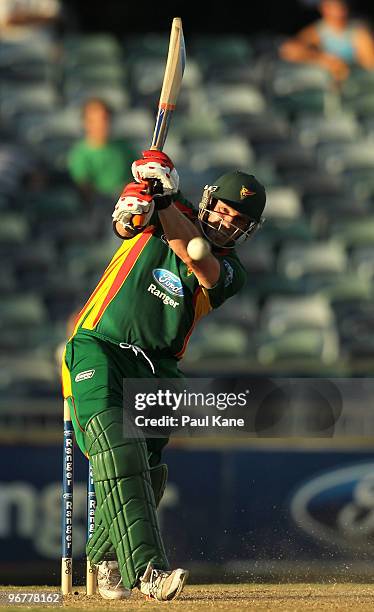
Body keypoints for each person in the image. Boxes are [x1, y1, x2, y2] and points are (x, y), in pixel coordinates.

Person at [61, 149, 266, 601]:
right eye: (224, 210)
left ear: (247, 232)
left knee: (147, 471)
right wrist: (139, 197)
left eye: (238, 221)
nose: (226, 222)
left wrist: (167, 199)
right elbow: (125, 225)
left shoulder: (233, 271)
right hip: (98, 345)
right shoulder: (166, 208)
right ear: (209, 200)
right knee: (118, 450)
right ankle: (151, 572)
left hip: (159, 370)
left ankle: (107, 557)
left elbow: (202, 267)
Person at [279, 0, 374, 81]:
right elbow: (288, 50)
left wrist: (347, 66)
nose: (338, 12)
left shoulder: (358, 31)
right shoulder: (318, 30)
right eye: (332, 7)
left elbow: (370, 63)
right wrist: (324, 60)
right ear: (323, 9)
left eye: (341, 6)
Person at [67, 98, 137, 204]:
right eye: (96, 121)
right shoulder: (80, 154)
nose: (102, 124)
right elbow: (84, 187)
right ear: (86, 123)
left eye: (105, 119)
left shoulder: (123, 148)